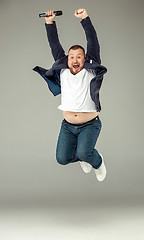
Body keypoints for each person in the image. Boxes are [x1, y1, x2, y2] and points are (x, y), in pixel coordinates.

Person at [33, 8, 107, 181]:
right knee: (62, 159)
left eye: (79, 57)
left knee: (84, 152)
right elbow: (54, 45)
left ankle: (96, 161)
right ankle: (85, 156)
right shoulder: (63, 71)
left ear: (85, 59)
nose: (75, 60)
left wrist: (85, 19)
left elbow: (93, 42)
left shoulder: (90, 70)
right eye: (71, 56)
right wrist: (49, 22)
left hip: (90, 124)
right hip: (67, 125)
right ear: (67, 59)